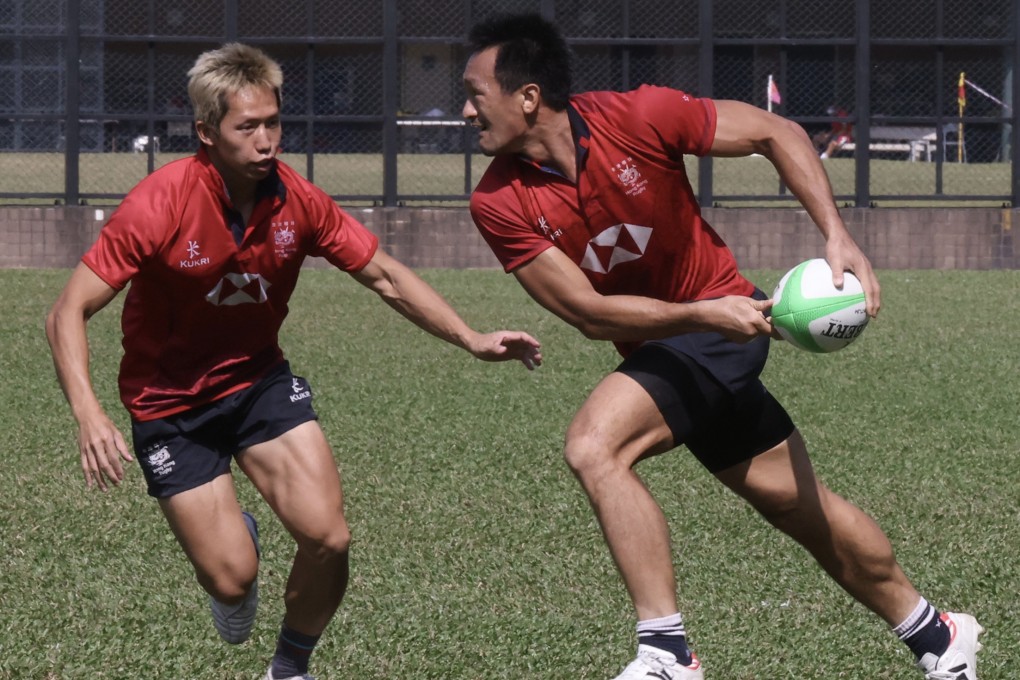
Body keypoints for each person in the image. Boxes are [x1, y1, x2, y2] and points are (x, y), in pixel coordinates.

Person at [462, 13, 982, 680]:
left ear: (528, 96)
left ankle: (667, 653)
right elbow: (587, 313)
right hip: (692, 332)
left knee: (595, 446)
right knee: (798, 505)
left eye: (476, 94)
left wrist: (837, 234)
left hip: (725, 327)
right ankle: (938, 634)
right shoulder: (497, 201)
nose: (466, 111)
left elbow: (774, 131)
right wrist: (702, 315)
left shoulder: (639, 115)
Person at [45, 43, 542, 680]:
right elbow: (67, 312)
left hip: (258, 383)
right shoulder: (159, 203)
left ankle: (289, 668)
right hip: (170, 406)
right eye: (246, 127)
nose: (266, 141)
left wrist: (470, 337)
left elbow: (385, 276)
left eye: (273, 122)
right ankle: (237, 553)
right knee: (231, 580)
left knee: (329, 537)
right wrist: (89, 416)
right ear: (206, 132)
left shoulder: (297, 199)